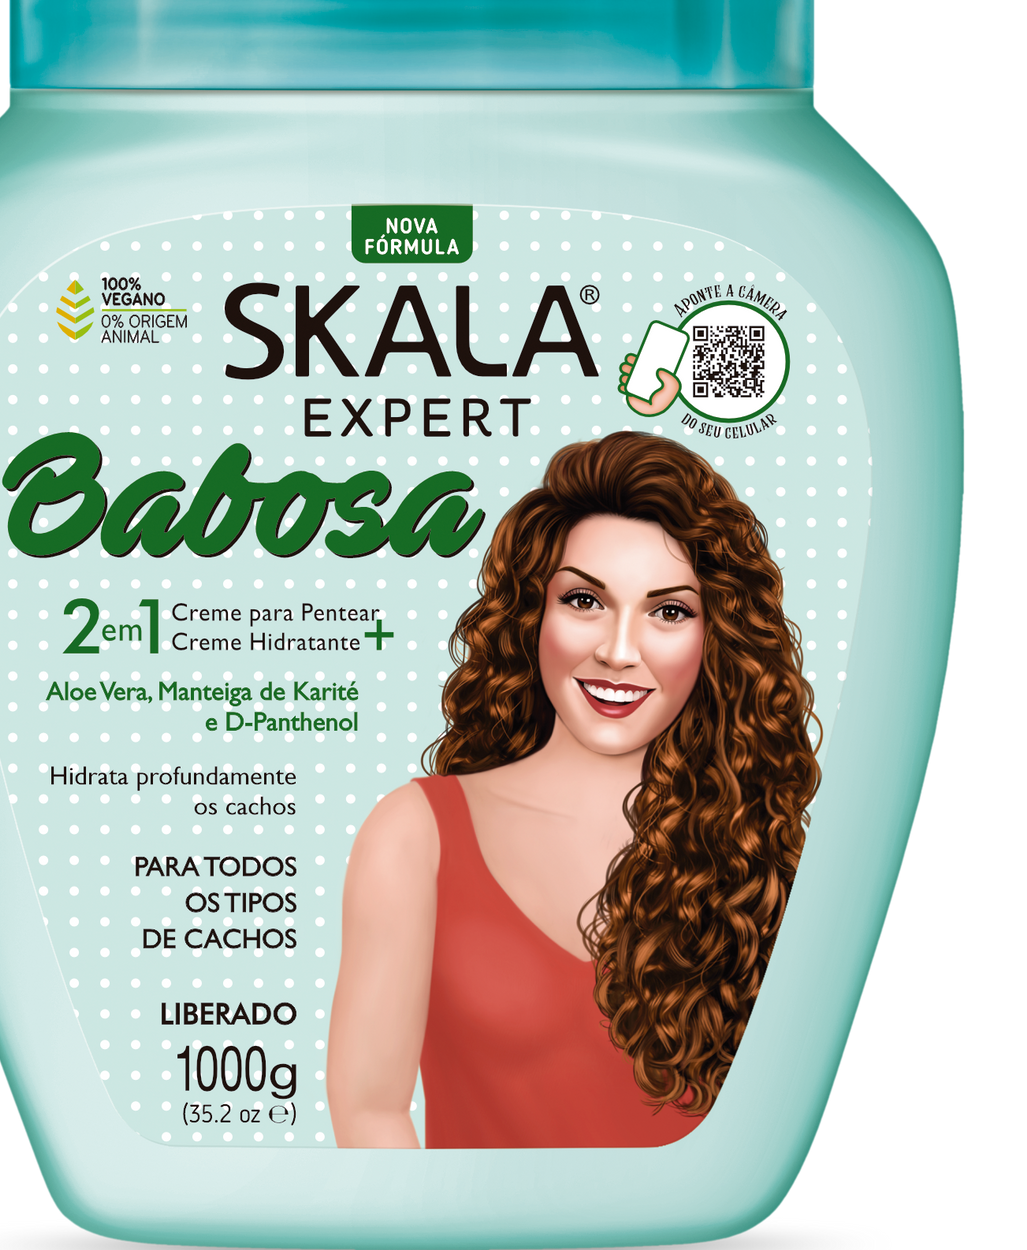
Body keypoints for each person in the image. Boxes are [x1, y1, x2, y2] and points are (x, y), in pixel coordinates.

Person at [327, 432, 819, 1148]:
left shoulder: (764, 851)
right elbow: (369, 1110)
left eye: (669, 611)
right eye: (585, 600)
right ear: (535, 614)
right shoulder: (416, 833)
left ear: (716, 639)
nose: (618, 651)